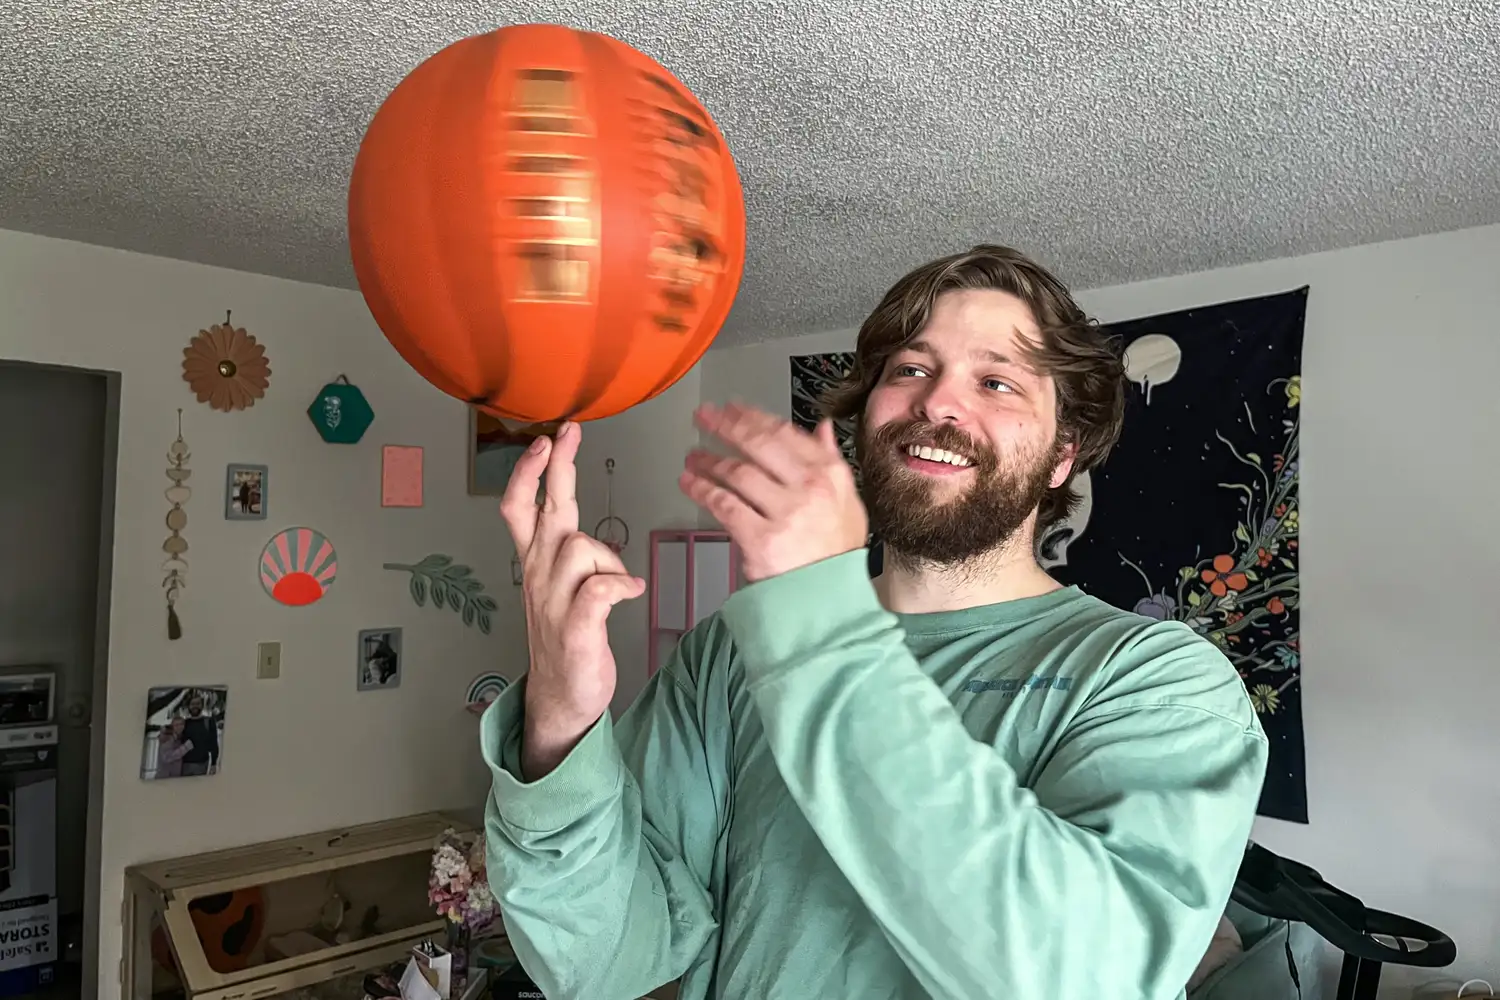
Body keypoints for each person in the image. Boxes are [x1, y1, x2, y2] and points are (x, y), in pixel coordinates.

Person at [481, 244, 1269, 1000]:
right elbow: (608, 959)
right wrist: (559, 721)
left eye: (997, 382)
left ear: (1063, 454)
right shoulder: (733, 651)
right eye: (912, 369)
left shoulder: (1157, 682)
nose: (938, 402)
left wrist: (822, 625)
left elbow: (1076, 977)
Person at [179, 692, 219, 777]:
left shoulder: (208, 722)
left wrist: (213, 764)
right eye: (192, 704)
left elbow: (214, 743)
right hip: (184, 765)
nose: (195, 706)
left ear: (202, 705)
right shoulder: (184, 723)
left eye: (198, 703)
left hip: (201, 764)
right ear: (189, 706)